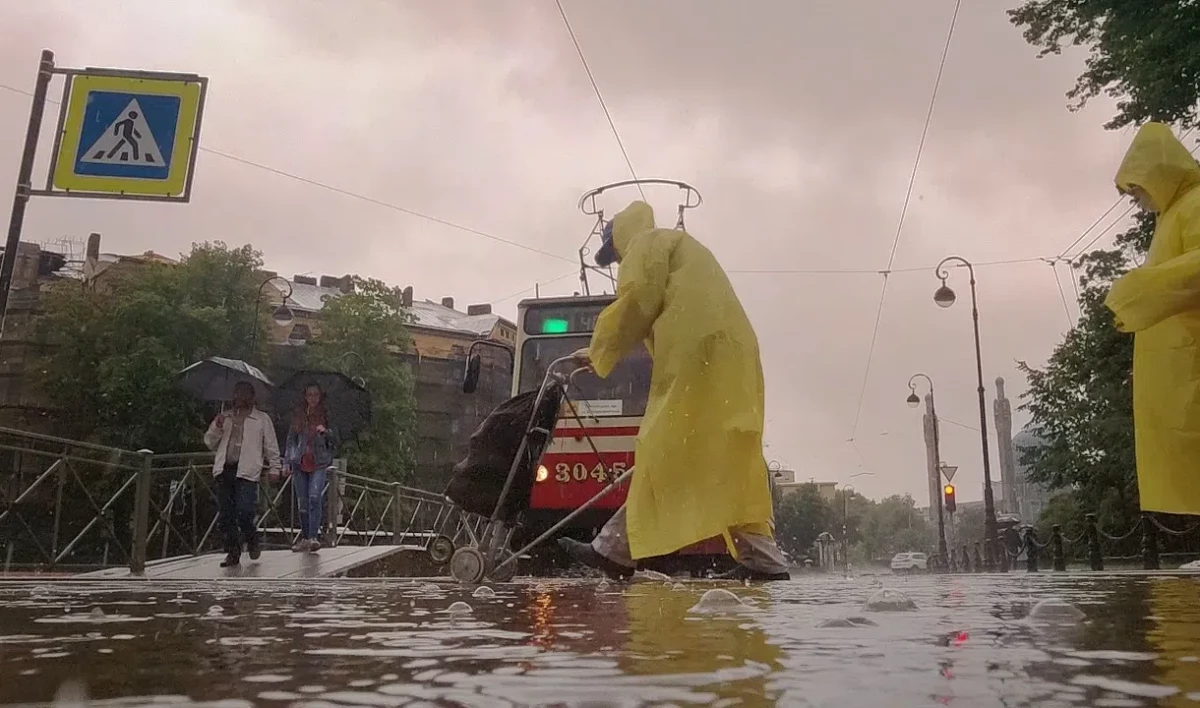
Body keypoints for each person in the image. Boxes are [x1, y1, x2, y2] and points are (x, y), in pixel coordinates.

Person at [558, 200, 791, 581]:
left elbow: (635, 303)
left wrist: (599, 350)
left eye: (614, 255)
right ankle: (763, 560)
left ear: (619, 239)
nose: (617, 262)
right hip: (733, 354)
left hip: (700, 354)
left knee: (664, 448)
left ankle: (613, 550)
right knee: (723, 457)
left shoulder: (645, 245)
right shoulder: (682, 246)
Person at [1104, 121, 1200, 517]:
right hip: (1178, 360)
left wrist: (1138, 292)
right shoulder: (1172, 214)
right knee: (1187, 455)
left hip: (1192, 353)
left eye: (1137, 188)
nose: (1136, 200)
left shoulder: (1194, 204)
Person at [204, 381, 282, 567]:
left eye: (244, 394)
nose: (240, 397)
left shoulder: (261, 419)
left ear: (252, 397)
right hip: (225, 469)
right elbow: (209, 442)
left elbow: (271, 446)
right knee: (226, 515)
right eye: (237, 393)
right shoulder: (225, 417)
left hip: (247, 471)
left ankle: (251, 538)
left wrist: (274, 467)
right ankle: (232, 552)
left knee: (245, 511)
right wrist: (217, 426)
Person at [284, 383, 339, 552]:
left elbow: (336, 440)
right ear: (305, 397)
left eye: (316, 394)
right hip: (300, 463)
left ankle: (314, 537)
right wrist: (288, 460)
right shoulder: (299, 416)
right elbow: (291, 440)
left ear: (320, 396)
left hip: (319, 463)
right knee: (303, 502)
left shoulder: (326, 416)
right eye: (310, 394)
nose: (313, 398)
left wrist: (326, 432)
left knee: (315, 497)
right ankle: (306, 537)